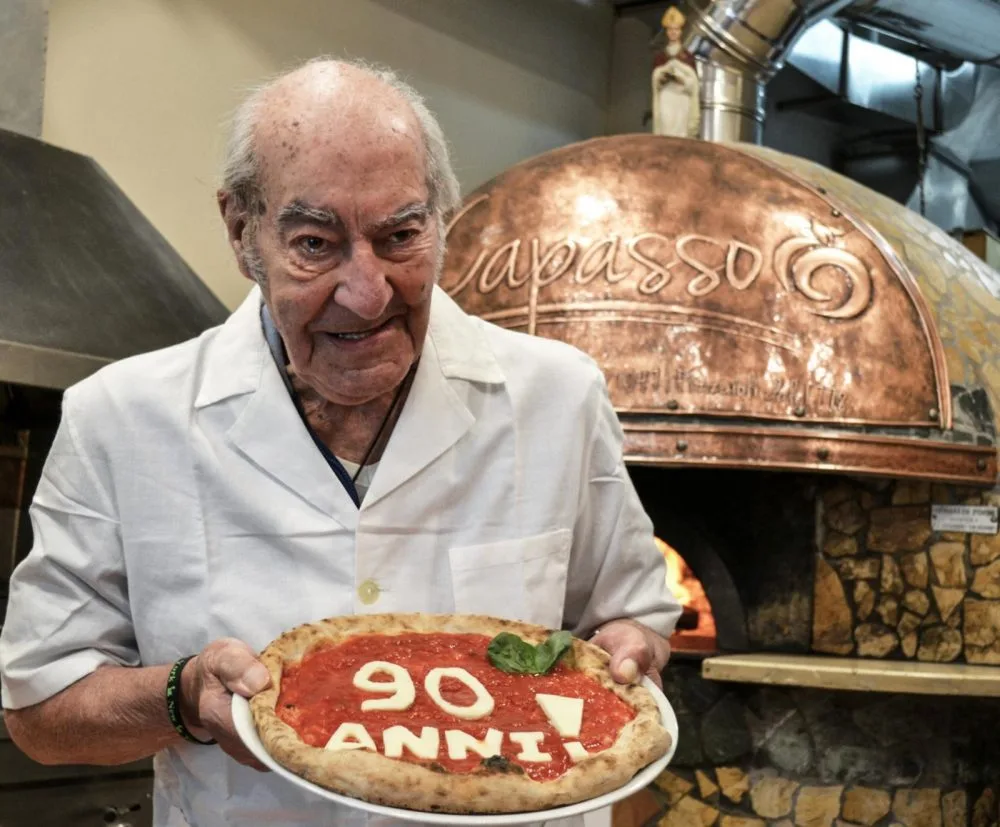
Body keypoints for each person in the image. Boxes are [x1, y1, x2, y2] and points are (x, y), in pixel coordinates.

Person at [0, 58, 680, 826]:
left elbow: (631, 617)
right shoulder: (121, 418)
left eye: (400, 235)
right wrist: (183, 697)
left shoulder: (558, 395)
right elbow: (39, 707)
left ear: (440, 220)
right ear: (240, 230)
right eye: (317, 243)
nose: (367, 291)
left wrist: (630, 645)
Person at [652, 6, 701, 138]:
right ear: (667, 32)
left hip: (682, 99)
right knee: (666, 128)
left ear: (680, 31)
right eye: (670, 29)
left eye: (676, 29)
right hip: (666, 97)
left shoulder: (687, 57)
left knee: (681, 133)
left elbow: (694, 83)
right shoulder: (660, 57)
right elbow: (655, 80)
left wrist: (681, 79)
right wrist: (662, 76)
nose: (673, 32)